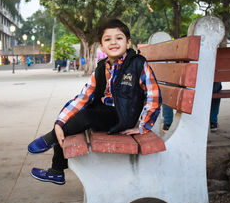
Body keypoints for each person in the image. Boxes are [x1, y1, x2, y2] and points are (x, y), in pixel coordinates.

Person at [27, 19, 162, 185]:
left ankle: (51, 142)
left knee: (86, 117)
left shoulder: (137, 64)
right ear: (101, 46)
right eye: (108, 39)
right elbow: (84, 96)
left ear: (128, 43)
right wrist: (59, 122)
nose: (113, 42)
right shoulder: (101, 69)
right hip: (103, 114)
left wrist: (142, 126)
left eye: (119, 38)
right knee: (72, 119)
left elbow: (153, 96)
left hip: (122, 118)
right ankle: (56, 169)